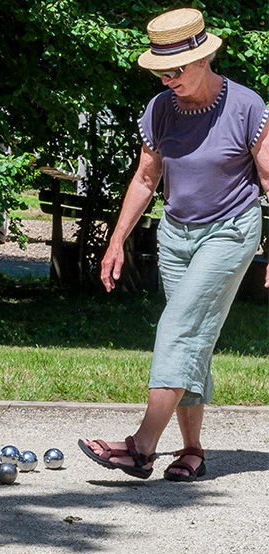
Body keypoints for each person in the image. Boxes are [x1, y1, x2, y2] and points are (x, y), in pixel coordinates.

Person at [79, 8, 269, 481]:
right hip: (175, 234)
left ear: (203, 59)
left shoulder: (247, 107)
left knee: (178, 328)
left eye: (176, 70)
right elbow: (146, 179)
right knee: (195, 340)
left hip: (229, 231)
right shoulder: (160, 109)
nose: (167, 79)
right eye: (160, 70)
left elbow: (268, 178)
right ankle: (192, 450)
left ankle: (141, 446)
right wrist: (116, 240)